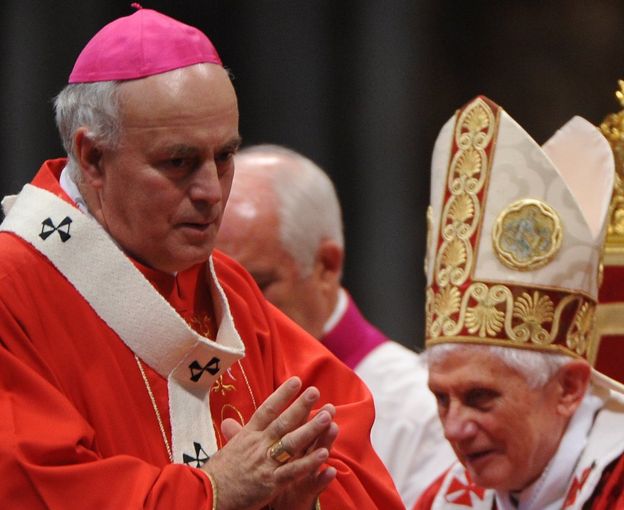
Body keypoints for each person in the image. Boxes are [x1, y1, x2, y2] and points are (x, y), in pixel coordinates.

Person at [0, 7, 405, 509]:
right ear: (93, 157)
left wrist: (302, 498)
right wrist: (213, 492)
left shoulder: (227, 291)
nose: (212, 192)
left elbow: (350, 457)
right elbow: (29, 485)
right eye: (179, 162)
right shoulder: (14, 288)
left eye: (225, 157)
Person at [216, 144, 456, 508]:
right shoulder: (209, 381)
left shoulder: (419, 410)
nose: (235, 308)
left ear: (327, 265)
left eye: (258, 284)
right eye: (218, 286)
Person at [414, 95, 624, 509]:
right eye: (442, 399)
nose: (454, 428)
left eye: (480, 398)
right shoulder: (445, 498)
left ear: (568, 389)